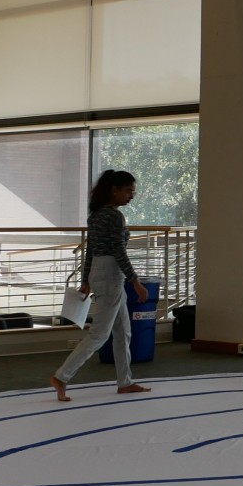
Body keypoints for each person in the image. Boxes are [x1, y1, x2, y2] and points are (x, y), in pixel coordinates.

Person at [49, 169, 152, 402]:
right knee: (99, 334)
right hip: (110, 273)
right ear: (114, 190)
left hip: (101, 270)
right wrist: (136, 281)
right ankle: (62, 376)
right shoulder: (114, 217)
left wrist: (85, 280)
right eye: (128, 191)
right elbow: (117, 250)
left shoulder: (95, 215)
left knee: (123, 331)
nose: (131, 196)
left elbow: (91, 251)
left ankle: (125, 382)